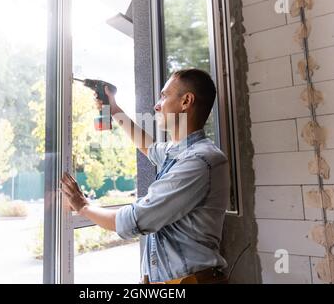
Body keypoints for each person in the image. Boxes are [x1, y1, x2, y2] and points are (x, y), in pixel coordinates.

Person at [60, 68, 230, 284]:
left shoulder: (199, 161)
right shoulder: (178, 152)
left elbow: (135, 220)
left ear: (186, 101)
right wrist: (114, 109)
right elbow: (146, 146)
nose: (157, 105)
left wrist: (82, 206)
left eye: (164, 96)